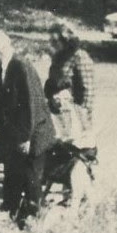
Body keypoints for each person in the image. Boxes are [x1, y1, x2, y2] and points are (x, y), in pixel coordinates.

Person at [0, 30, 56, 228]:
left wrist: (26, 138)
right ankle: (11, 209)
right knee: (12, 172)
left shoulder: (21, 66)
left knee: (31, 176)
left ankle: (35, 216)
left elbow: (30, 104)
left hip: (33, 132)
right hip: (13, 132)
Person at [43, 22, 98, 211]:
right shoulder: (57, 58)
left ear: (66, 39)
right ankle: (70, 194)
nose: (52, 43)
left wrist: (83, 120)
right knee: (59, 152)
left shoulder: (80, 57)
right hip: (58, 115)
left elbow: (88, 92)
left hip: (76, 116)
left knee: (76, 154)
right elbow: (50, 85)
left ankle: (79, 195)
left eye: (55, 39)